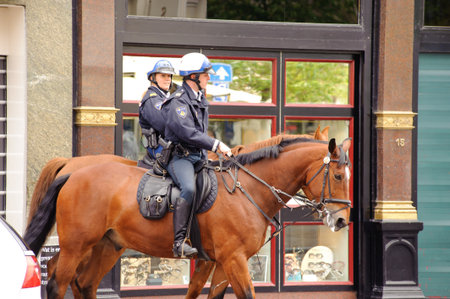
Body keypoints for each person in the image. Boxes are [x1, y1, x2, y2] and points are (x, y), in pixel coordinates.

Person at [162, 52, 232, 258]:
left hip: (198, 157)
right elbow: (187, 132)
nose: (208, 77)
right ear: (193, 76)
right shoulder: (179, 101)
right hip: (180, 158)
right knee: (189, 189)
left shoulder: (200, 99)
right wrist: (216, 144)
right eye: (205, 74)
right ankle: (179, 242)